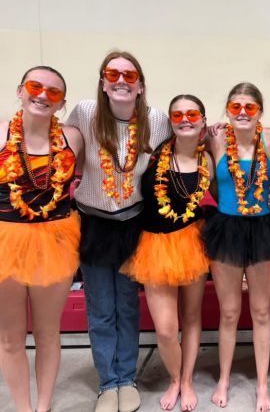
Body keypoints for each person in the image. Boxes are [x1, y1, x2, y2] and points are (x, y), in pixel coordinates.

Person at [66, 51, 171, 412]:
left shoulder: (157, 120)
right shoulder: (84, 112)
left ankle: (127, 378)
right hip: (94, 221)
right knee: (101, 308)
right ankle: (107, 382)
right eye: (113, 73)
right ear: (102, 81)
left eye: (130, 75)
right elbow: (67, 152)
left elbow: (172, 162)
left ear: (141, 85)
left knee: (127, 306)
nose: (121, 80)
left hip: (133, 222)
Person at [201, 82, 270, 412]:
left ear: (260, 112)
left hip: (262, 228)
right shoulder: (215, 139)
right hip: (226, 227)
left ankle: (263, 384)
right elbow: (208, 179)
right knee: (228, 312)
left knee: (262, 311)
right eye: (235, 106)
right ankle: (224, 377)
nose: (242, 113)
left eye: (249, 107)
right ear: (227, 109)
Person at [120, 94, 212, 411]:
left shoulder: (208, 159)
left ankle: (186, 380)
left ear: (202, 119)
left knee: (191, 316)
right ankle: (174, 377)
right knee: (166, 328)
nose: (185, 118)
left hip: (192, 242)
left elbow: (229, 191)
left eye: (192, 113)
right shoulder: (153, 152)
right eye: (178, 114)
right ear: (171, 119)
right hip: (154, 245)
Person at [0, 66, 82, 412]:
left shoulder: (72, 138)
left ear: (61, 103)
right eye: (35, 86)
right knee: (10, 338)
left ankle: (44, 406)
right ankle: (22, 408)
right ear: (20, 90)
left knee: (48, 333)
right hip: (6, 240)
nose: (43, 95)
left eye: (54, 92)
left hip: (56, 240)